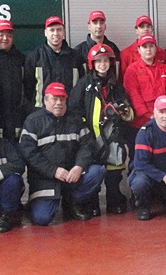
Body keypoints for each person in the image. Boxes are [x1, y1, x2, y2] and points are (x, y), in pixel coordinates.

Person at [20, 82, 106, 226]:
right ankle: (37, 203)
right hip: (45, 180)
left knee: (97, 171)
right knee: (42, 218)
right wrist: (53, 171)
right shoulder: (33, 121)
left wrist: (79, 166)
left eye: (62, 99)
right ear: (45, 100)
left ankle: (72, 202)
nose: (59, 103)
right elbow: (29, 154)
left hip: (72, 176)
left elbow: (87, 145)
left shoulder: (76, 119)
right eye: (54, 99)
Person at [69, 43, 134, 215]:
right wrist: (84, 129)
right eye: (98, 61)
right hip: (91, 135)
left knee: (114, 172)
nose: (102, 64)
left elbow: (128, 109)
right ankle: (92, 203)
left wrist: (123, 111)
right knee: (94, 169)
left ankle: (114, 200)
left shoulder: (116, 85)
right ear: (92, 64)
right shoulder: (84, 85)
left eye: (105, 61)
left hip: (113, 135)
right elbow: (74, 110)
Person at [123, 34, 166, 166]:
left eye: (151, 46)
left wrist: (165, 114)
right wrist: (150, 115)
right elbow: (134, 96)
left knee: (161, 159)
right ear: (139, 49)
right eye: (144, 46)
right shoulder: (132, 70)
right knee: (138, 160)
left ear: (156, 49)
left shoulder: (165, 69)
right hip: (140, 124)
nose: (148, 49)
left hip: (163, 122)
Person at [0, 19, 29, 144]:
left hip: (16, 121)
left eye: (9, 35)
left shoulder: (21, 59)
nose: (5, 38)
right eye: (0, 34)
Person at [24, 16, 84, 110]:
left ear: (63, 32)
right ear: (45, 33)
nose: (56, 33)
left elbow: (81, 85)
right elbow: (28, 87)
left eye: (59, 30)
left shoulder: (75, 57)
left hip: (69, 112)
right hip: (41, 113)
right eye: (52, 30)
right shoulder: (35, 57)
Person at [119, 15, 166, 81]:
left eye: (148, 26)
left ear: (152, 30)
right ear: (136, 30)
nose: (145, 29)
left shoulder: (161, 52)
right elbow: (123, 80)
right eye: (142, 26)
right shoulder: (125, 54)